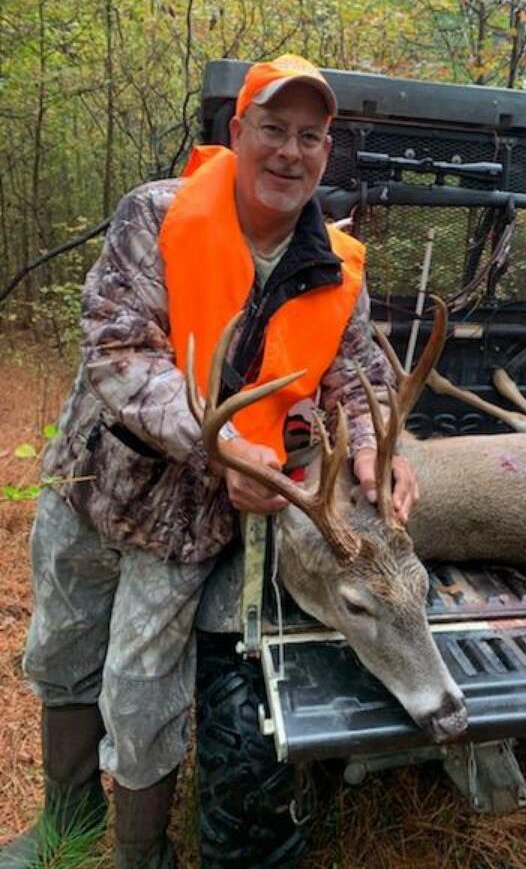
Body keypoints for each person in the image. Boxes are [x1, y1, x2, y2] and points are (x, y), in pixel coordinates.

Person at [1, 55, 418, 869]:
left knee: (144, 681)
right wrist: (217, 441)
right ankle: (66, 824)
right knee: (63, 650)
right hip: (96, 482)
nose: (289, 153)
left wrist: (374, 452)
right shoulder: (154, 214)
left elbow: (358, 375)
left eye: (310, 137)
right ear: (238, 132)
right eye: (273, 129)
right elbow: (117, 349)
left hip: (192, 522)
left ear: (326, 152)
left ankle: (140, 851)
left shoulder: (336, 268)